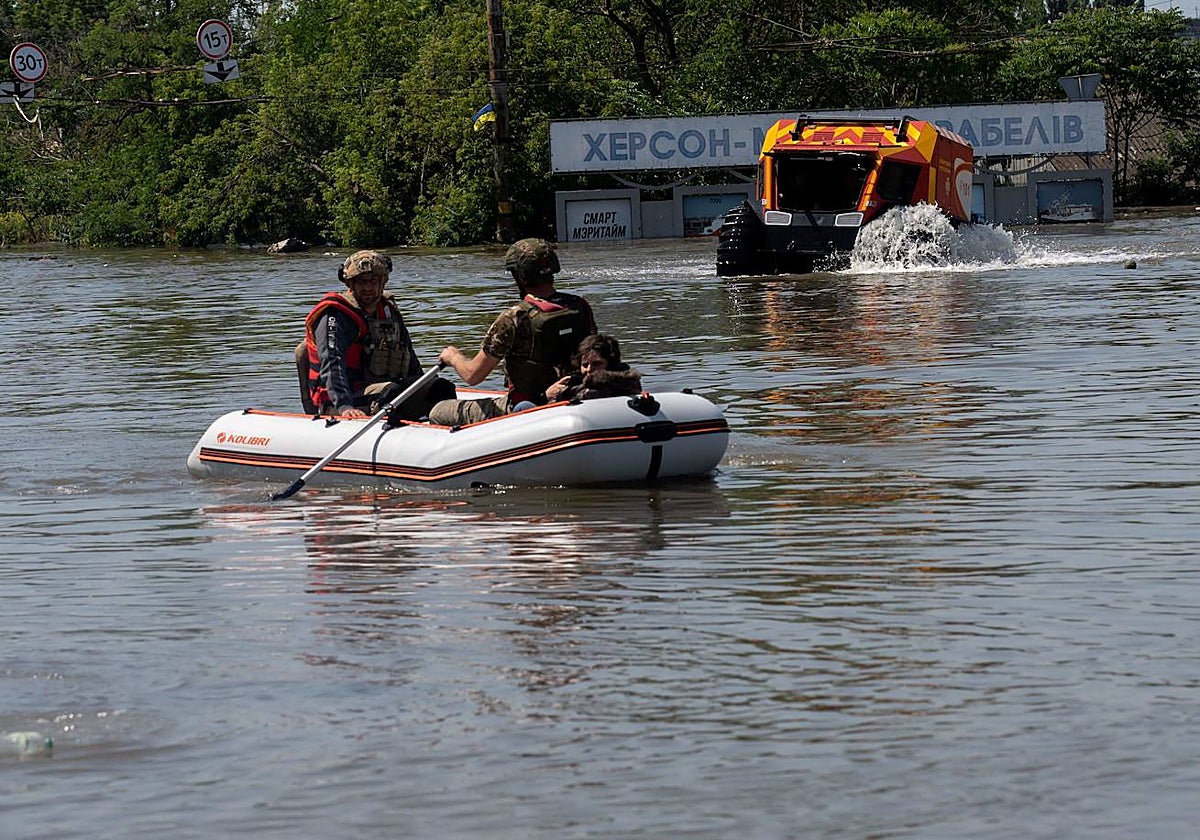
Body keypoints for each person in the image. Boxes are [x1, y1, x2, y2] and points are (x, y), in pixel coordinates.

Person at [428, 238, 596, 426]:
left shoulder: (514, 318)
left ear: (521, 277)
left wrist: (453, 357)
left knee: (439, 410)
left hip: (527, 406)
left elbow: (473, 375)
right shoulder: (581, 306)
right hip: (573, 396)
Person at [303, 249, 453, 422]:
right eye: (361, 282)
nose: (368, 288)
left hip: (381, 387)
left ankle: (444, 427)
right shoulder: (335, 316)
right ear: (349, 284)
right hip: (344, 397)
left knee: (440, 387)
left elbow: (409, 356)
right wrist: (344, 406)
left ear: (384, 281)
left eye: (373, 281)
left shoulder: (389, 311)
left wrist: (421, 385)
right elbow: (331, 362)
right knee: (392, 393)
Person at [535, 333, 642, 406]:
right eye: (585, 365)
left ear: (611, 364)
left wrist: (549, 396)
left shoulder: (598, 391)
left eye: (596, 364)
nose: (589, 369)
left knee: (524, 406)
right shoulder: (575, 382)